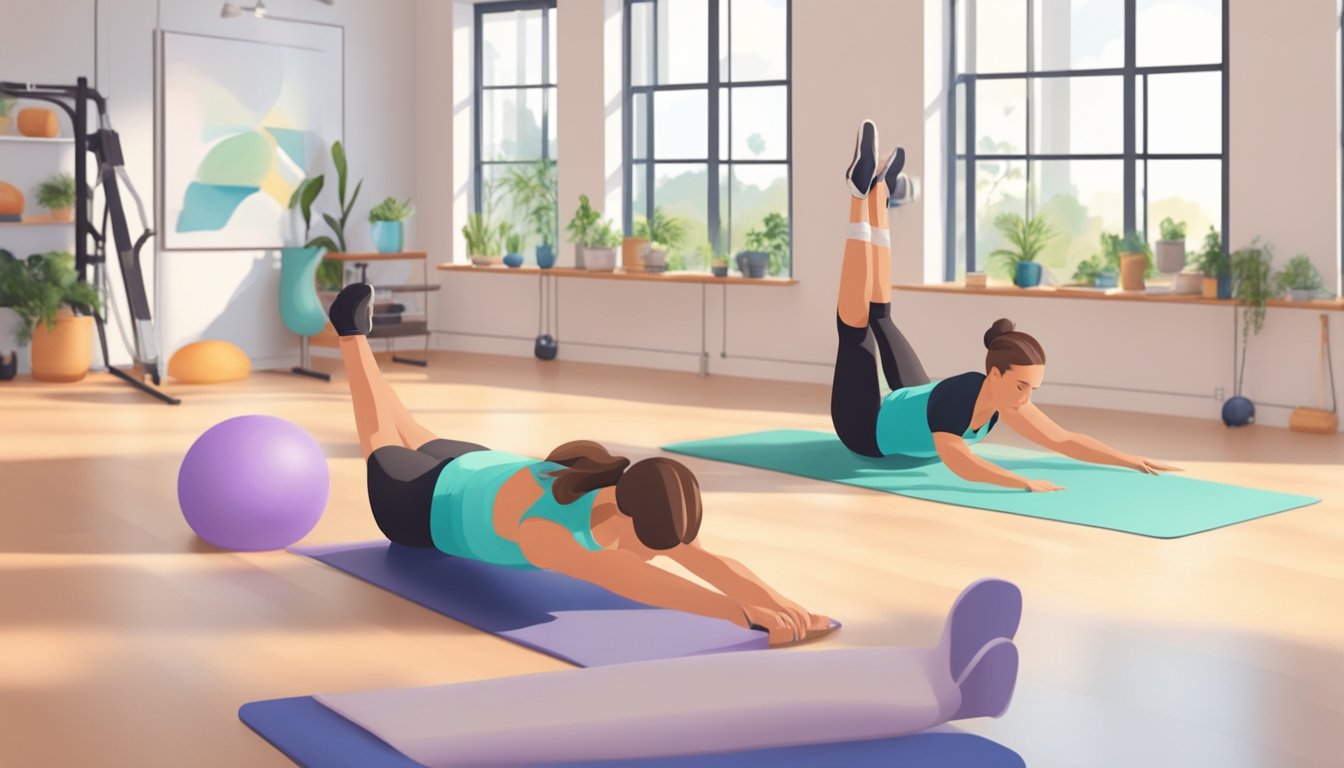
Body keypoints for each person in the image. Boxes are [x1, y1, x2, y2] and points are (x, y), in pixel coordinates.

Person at [325, 283, 831, 645]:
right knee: (381, 436)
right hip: (419, 509)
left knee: (410, 427)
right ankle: (350, 333)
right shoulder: (553, 536)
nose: (655, 556)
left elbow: (706, 560)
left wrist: (784, 602)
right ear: (627, 516)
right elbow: (633, 582)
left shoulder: (624, 488)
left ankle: (360, 337)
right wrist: (740, 615)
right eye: (650, 547)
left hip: (475, 466)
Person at [831, 120, 1180, 492]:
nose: (1026, 398)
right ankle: (858, 195)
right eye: (1021, 386)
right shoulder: (957, 403)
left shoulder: (1005, 399)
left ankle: (877, 192)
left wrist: (1130, 460)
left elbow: (1061, 439)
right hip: (865, 431)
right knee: (856, 332)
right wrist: (1023, 482)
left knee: (882, 318)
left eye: (1032, 388)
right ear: (995, 375)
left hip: (908, 408)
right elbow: (960, 461)